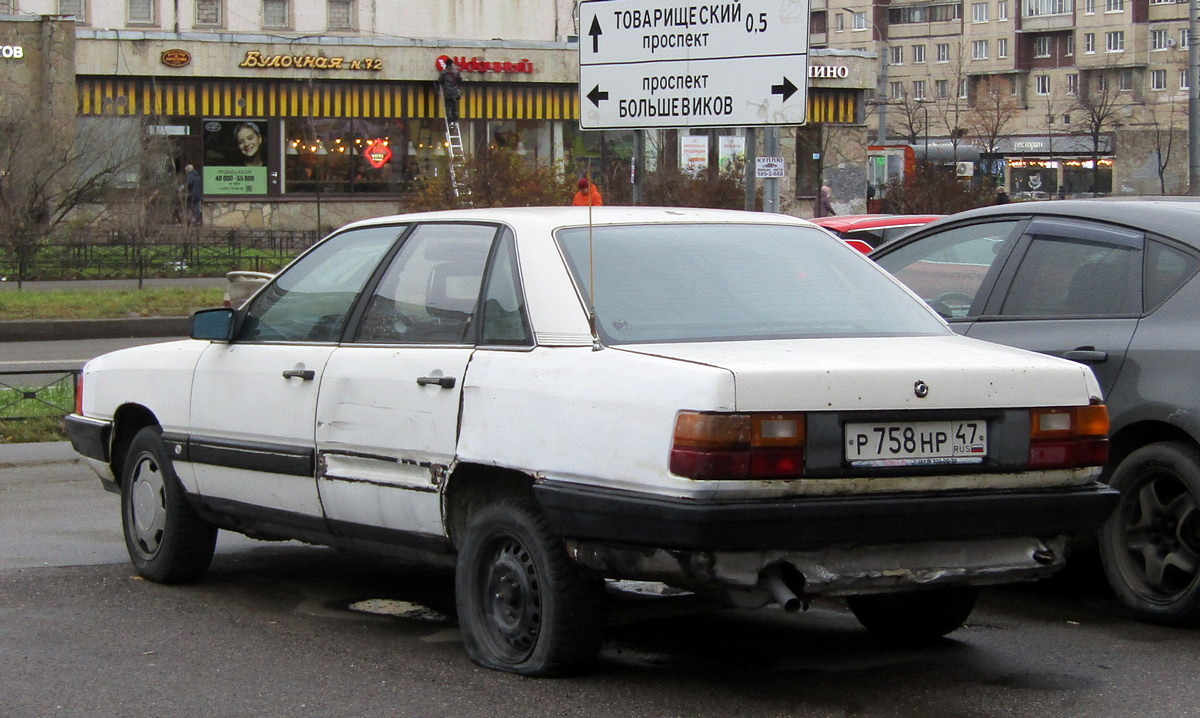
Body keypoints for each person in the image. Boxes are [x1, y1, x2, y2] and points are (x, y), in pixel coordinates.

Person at [438, 58, 463, 124]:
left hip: (448, 92)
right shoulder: (456, 72)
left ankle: (450, 120)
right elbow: (460, 80)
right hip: (455, 92)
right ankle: (456, 120)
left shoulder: (444, 72)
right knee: (455, 106)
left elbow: (440, 80)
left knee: (448, 106)